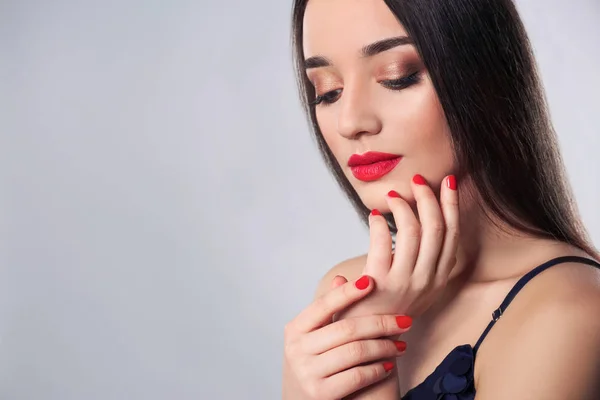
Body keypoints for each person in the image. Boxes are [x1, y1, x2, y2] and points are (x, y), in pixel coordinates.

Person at [281, 0, 600, 399]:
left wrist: (366, 361)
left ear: (484, 76)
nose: (350, 122)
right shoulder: (345, 292)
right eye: (328, 92)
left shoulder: (571, 310)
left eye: (396, 77)